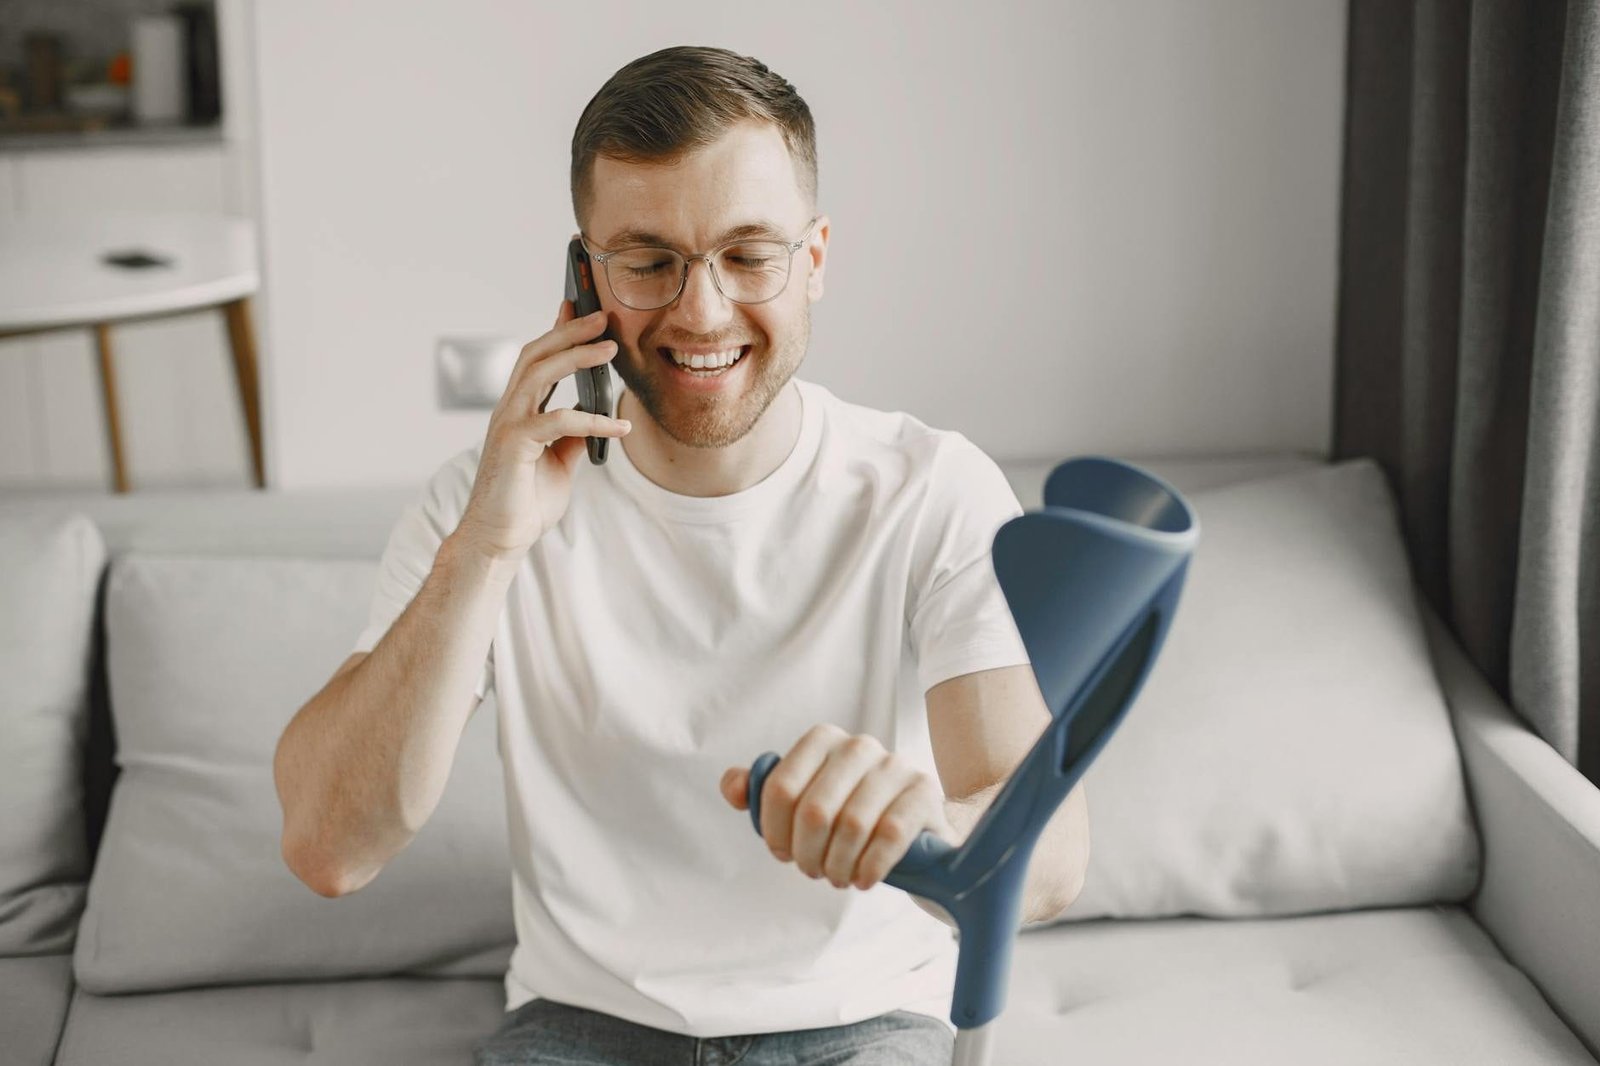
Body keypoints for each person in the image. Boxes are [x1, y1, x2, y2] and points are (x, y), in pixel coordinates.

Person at [274, 44, 1089, 1065]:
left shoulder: (931, 489)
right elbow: (327, 848)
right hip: (579, 1028)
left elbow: (1052, 866)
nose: (701, 311)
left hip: (862, 1023)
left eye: (749, 255)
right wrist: (484, 549)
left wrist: (929, 820)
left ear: (817, 259)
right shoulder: (478, 506)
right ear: (584, 277)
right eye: (648, 260)